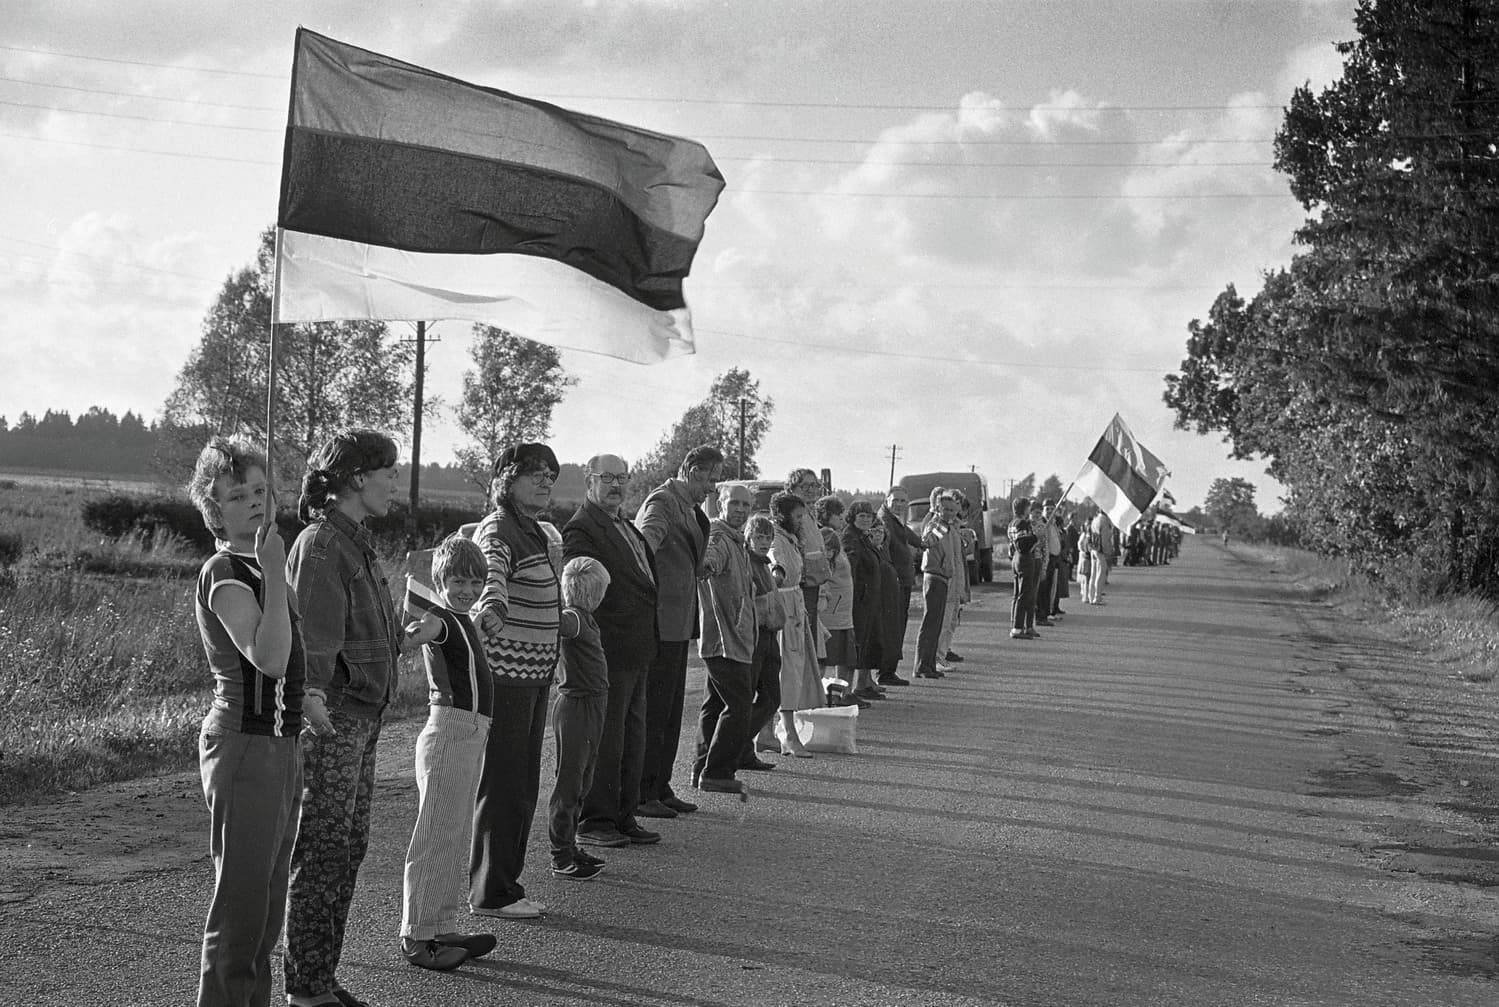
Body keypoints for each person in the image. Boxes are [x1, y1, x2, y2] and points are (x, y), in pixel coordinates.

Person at [284, 429, 403, 1007]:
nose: (394, 483)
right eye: (388, 471)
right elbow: (310, 640)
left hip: (361, 716)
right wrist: (310, 702)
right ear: (357, 477)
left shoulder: (353, 541)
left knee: (347, 848)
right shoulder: (323, 544)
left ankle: (321, 980)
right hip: (333, 719)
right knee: (324, 850)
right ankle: (306, 989)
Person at [187, 437, 305, 1007]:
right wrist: (278, 573)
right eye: (238, 495)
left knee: (268, 907)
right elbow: (270, 657)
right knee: (241, 911)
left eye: (260, 490)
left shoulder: (264, 564)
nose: (255, 502)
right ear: (214, 510)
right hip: (244, 744)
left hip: (282, 746)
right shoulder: (224, 569)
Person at [470, 442, 564, 921]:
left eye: (551, 473)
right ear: (506, 479)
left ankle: (505, 882)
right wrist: (493, 608)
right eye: (534, 473)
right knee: (505, 782)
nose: (546, 481)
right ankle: (491, 890)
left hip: (532, 675)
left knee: (522, 781)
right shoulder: (500, 528)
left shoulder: (532, 529)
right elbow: (491, 577)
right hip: (506, 677)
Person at [398, 535, 498, 971]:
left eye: (476, 582)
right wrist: (410, 630)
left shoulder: (464, 618)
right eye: (458, 580)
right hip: (450, 732)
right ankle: (416, 935)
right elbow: (417, 633)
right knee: (435, 836)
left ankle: (438, 924)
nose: (467, 590)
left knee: (454, 836)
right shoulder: (441, 619)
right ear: (440, 579)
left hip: (471, 732)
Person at [561, 454, 661, 848]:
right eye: (608, 478)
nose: (617, 485)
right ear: (589, 480)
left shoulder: (625, 524)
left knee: (631, 736)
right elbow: (579, 585)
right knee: (608, 738)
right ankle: (596, 820)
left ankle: (623, 814)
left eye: (623, 478)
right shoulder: (582, 527)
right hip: (609, 646)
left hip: (638, 647)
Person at [634, 445, 721, 818]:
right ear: (691, 470)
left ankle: (660, 785)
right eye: (710, 479)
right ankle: (642, 792)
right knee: (654, 711)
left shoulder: (687, 506)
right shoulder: (663, 502)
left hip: (677, 624)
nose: (713, 488)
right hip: (658, 623)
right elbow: (643, 546)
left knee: (669, 713)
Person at [547, 556, 614, 879]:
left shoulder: (586, 618)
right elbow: (555, 622)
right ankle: (560, 853)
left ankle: (570, 843)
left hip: (592, 705)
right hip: (576, 705)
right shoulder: (573, 617)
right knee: (569, 781)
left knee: (584, 779)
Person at [692, 483, 758, 794]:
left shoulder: (737, 539)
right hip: (723, 638)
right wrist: (705, 565)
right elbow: (710, 561)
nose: (741, 510)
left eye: (746, 505)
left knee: (715, 705)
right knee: (740, 705)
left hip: (730, 637)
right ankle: (716, 771)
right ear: (721, 504)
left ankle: (701, 768)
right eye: (735, 504)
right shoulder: (719, 536)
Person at [768, 491, 825, 757]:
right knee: (787, 671)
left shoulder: (790, 538)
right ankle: (788, 733)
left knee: (792, 669)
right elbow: (774, 565)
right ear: (783, 515)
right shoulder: (775, 539)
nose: (801, 520)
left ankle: (767, 732)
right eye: (798, 515)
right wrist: (776, 573)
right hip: (784, 608)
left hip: (795, 606)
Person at [741, 513, 783, 767]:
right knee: (748, 696)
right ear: (748, 537)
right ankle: (737, 745)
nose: (764, 541)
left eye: (768, 537)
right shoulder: (747, 563)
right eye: (759, 536)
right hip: (755, 635)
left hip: (770, 634)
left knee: (771, 697)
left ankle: (741, 745)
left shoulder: (764, 563)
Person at [875, 486, 923, 687]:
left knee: (898, 625)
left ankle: (889, 670)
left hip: (902, 580)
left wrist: (923, 543)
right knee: (892, 627)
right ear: (887, 500)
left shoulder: (896, 519)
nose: (900, 504)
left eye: (904, 501)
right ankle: (885, 671)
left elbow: (910, 537)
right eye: (896, 500)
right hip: (893, 582)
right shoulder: (885, 521)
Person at [817, 525, 866, 708]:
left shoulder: (840, 558)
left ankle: (839, 695)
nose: (828, 553)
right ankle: (823, 697)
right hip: (831, 618)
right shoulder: (824, 563)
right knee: (825, 661)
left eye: (831, 549)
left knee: (847, 660)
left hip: (845, 617)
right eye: (825, 549)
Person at [842, 499, 886, 702]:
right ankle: (852, 690)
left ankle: (864, 683)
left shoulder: (863, 537)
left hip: (869, 599)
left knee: (868, 640)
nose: (866, 519)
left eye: (869, 516)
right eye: (862, 516)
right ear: (853, 517)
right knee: (858, 643)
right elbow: (851, 569)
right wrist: (856, 596)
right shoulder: (850, 537)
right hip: (859, 600)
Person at [914, 492, 959, 678]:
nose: (949, 513)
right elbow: (929, 543)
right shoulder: (937, 525)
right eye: (946, 509)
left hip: (942, 577)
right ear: (938, 508)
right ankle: (922, 666)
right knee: (931, 623)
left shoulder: (947, 527)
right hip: (934, 576)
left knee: (937, 624)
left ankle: (929, 664)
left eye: (952, 510)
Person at [1008, 497, 1043, 640]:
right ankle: (1017, 627)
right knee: (1024, 594)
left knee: (1019, 594)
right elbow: (1023, 545)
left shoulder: (1012, 523)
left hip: (1016, 558)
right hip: (1024, 558)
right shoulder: (1021, 524)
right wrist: (1036, 537)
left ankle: (1024, 625)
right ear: (1025, 509)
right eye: (1029, 507)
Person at [1086, 510, 1114, 606]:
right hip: (1100, 549)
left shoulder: (1095, 519)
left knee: (1093, 574)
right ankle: (1097, 598)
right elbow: (1105, 538)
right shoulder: (1104, 520)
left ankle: (1091, 596)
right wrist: (1107, 551)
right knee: (1101, 573)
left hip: (1093, 548)